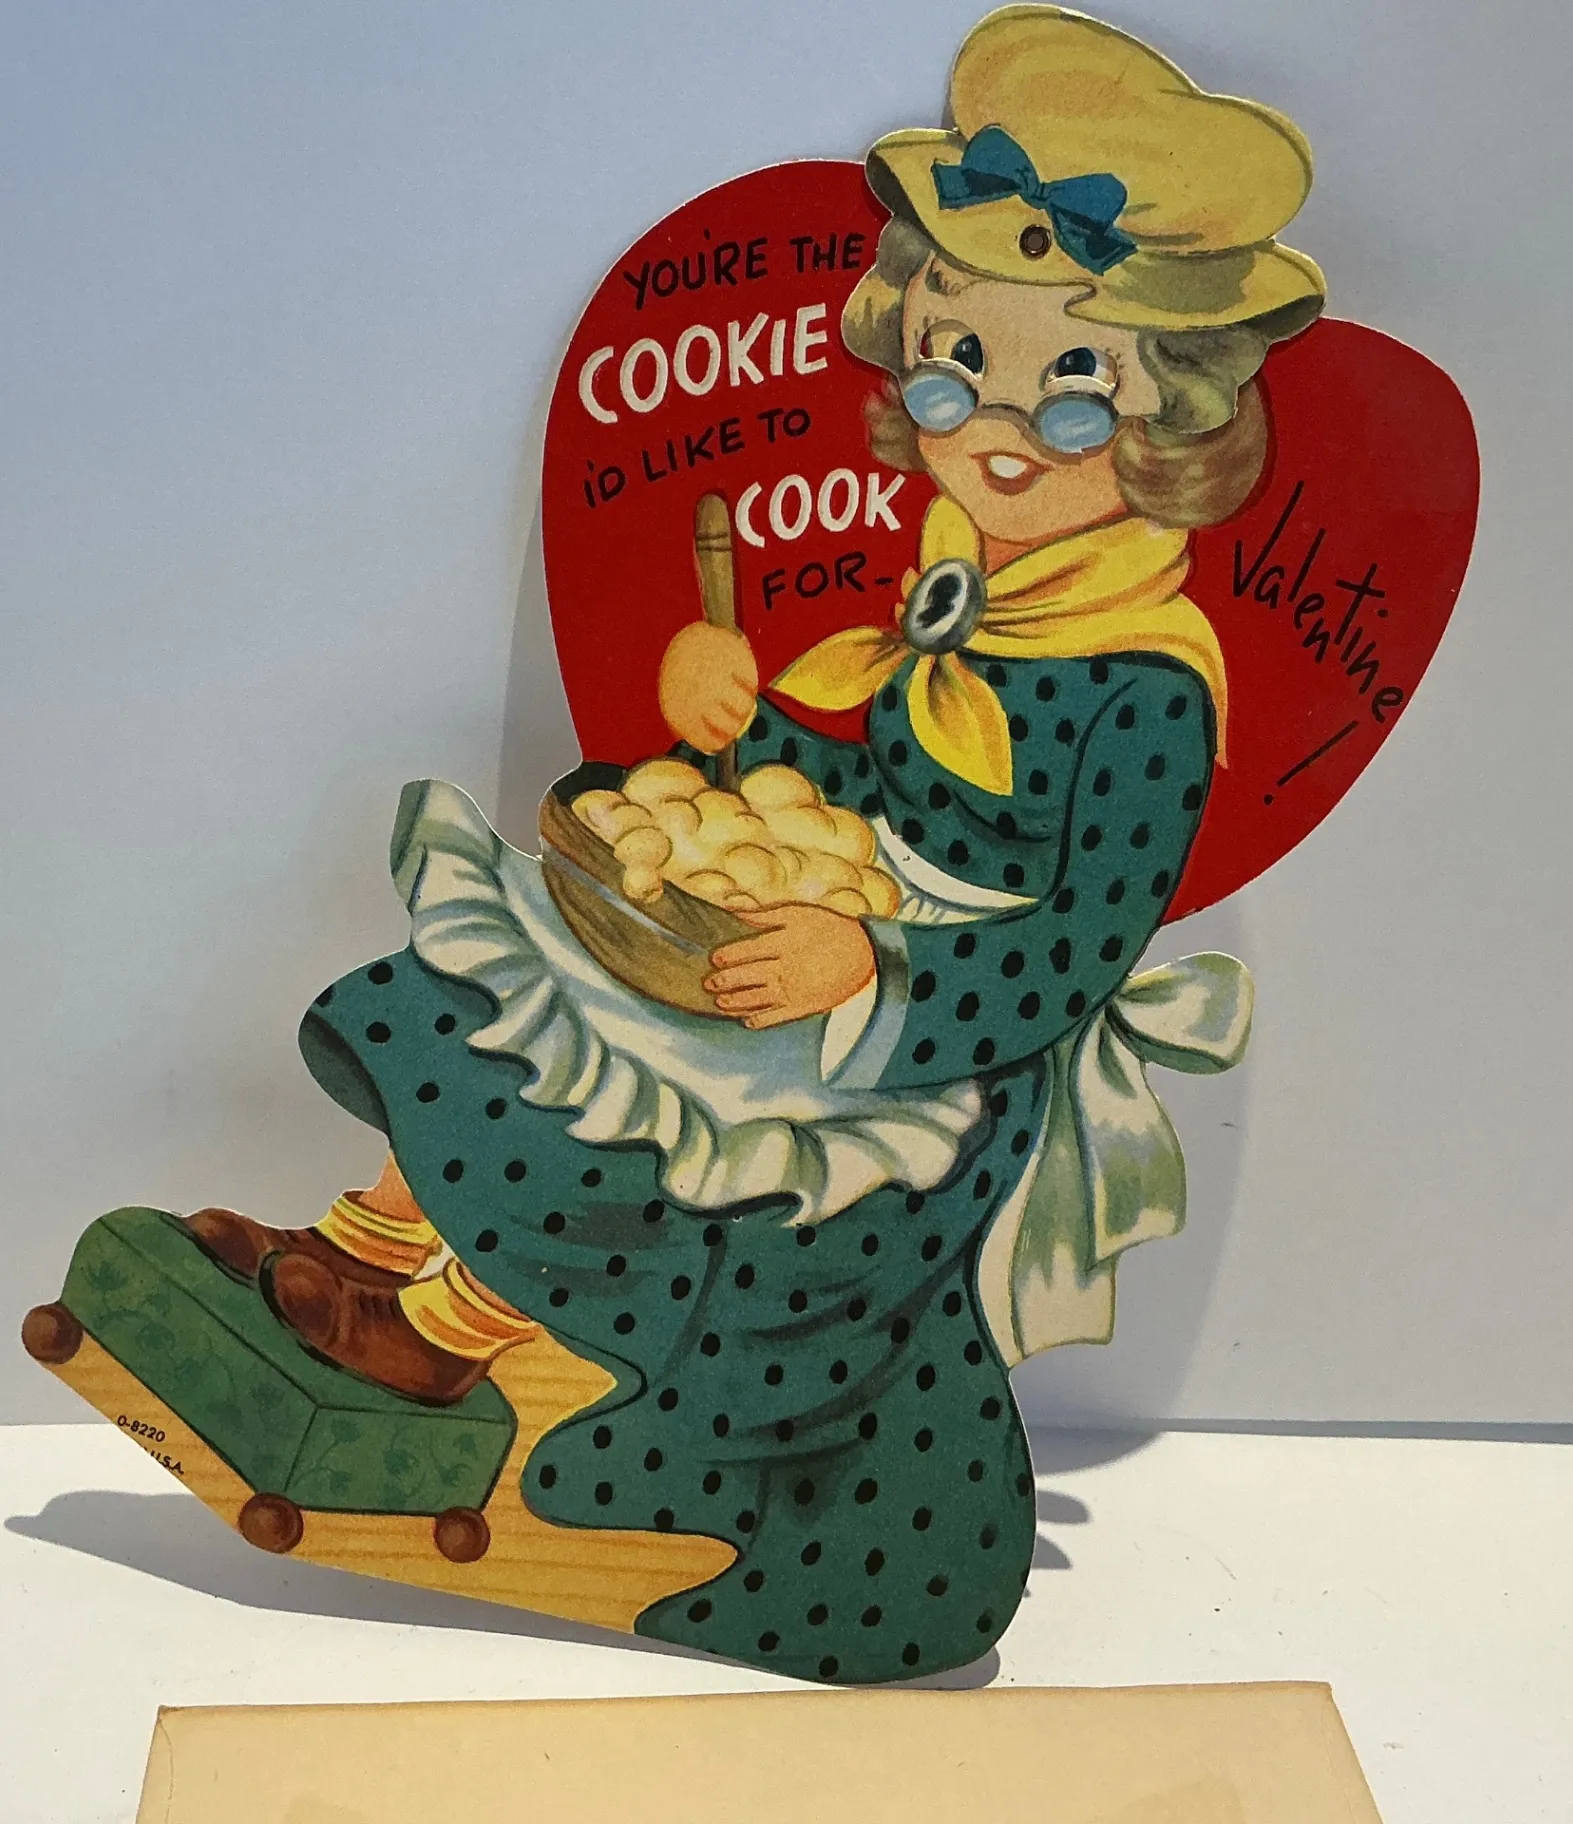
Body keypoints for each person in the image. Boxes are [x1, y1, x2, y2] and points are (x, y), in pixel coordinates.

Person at [184, 6, 1318, 1683]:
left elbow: (1076, 954)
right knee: (529, 975)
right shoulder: (969, 582)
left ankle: (444, 1337)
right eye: (956, 370)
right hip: (818, 925)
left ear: (1176, 419)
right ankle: (359, 1251)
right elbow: (875, 783)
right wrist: (739, 724)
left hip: (938, 1035)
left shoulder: (1145, 687)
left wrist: (877, 968)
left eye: (1075, 396)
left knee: (647, 1092)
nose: (1000, 432)